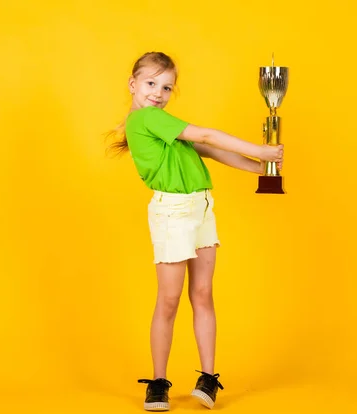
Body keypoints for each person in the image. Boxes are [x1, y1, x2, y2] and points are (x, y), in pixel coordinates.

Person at [106, 51, 282, 411]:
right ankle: (157, 383)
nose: (158, 92)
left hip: (201, 208)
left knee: (203, 294)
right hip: (172, 212)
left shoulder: (164, 123)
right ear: (133, 84)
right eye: (151, 83)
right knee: (169, 300)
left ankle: (208, 378)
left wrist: (262, 166)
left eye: (166, 86)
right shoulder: (144, 119)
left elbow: (205, 148)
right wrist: (259, 148)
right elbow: (206, 134)